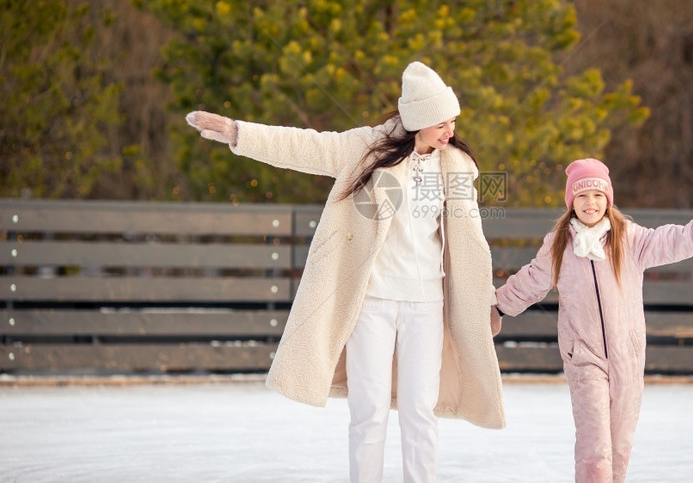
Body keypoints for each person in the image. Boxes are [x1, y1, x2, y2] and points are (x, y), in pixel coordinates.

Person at [186, 61, 505, 483]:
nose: (450, 130)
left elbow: (471, 241)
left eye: (453, 121)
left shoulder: (457, 165)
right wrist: (239, 133)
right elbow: (306, 147)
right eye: (441, 122)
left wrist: (485, 300)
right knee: (368, 411)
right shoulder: (367, 148)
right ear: (418, 121)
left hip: (427, 304)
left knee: (419, 413)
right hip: (371, 301)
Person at [493, 158, 693, 483]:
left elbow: (672, 240)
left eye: (597, 195)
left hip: (628, 357)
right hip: (584, 358)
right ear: (571, 202)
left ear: (608, 198)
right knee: (595, 447)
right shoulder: (559, 245)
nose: (590, 203)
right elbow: (530, 280)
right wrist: (496, 308)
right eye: (581, 196)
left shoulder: (629, 239)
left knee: (619, 446)